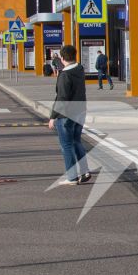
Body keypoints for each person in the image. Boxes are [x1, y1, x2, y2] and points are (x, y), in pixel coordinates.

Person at [50, 41, 92, 184]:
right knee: (76, 141)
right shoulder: (80, 70)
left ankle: (72, 177)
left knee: (66, 145)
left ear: (62, 58)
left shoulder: (64, 75)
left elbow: (62, 98)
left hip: (66, 115)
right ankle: (85, 171)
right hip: (80, 111)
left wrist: (52, 117)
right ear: (75, 56)